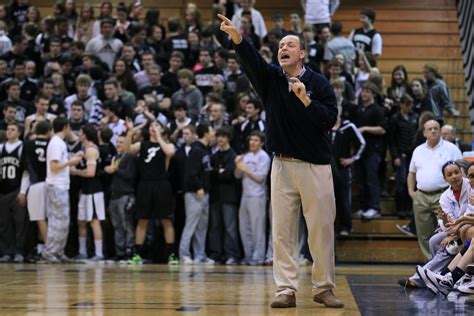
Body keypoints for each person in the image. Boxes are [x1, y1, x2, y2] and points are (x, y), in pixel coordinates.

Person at [219, 14, 343, 308]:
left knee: (321, 230)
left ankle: (323, 287)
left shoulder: (319, 84)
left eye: (290, 45)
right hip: (282, 165)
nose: (283, 48)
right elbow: (253, 63)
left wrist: (306, 100)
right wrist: (238, 39)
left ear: (302, 53)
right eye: (280, 45)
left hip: (315, 165)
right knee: (283, 231)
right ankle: (286, 289)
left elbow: (329, 121)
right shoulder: (272, 80)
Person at [125, 120, 178, 265]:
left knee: (166, 220)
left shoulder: (168, 145)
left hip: (162, 184)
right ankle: (137, 254)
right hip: (145, 185)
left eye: (156, 125)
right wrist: (130, 132)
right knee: (142, 220)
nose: (153, 128)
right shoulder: (142, 145)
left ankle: (172, 255)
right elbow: (127, 150)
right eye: (151, 126)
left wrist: (159, 137)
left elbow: (170, 152)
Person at [408, 119, 462, 260]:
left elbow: (461, 171)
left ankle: (444, 264)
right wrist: (412, 193)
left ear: (440, 130)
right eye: (430, 129)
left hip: (444, 195)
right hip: (421, 196)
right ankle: (430, 264)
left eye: (436, 128)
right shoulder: (418, 150)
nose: (433, 131)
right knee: (424, 234)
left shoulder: (451, 149)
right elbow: (411, 173)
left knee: (445, 231)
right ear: (424, 132)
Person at [41, 117, 82, 263]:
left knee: (63, 221)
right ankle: (50, 252)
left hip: (61, 186)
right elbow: (53, 167)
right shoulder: (56, 143)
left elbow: (60, 165)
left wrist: (71, 160)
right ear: (65, 127)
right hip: (56, 186)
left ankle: (58, 251)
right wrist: (71, 162)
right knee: (57, 221)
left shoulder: (59, 143)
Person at [179, 124, 214, 264]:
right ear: (205, 133)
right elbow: (190, 172)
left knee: (202, 226)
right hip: (195, 192)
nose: (213, 134)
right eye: (211, 131)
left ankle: (200, 255)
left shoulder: (205, 150)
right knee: (191, 224)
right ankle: (184, 254)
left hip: (205, 192)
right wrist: (198, 186)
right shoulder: (196, 150)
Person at [235, 131, 270, 265]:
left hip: (258, 196)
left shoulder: (264, 157)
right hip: (245, 195)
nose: (252, 143)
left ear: (261, 143)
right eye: (251, 140)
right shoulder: (246, 156)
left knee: (257, 228)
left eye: (256, 140)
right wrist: (238, 166)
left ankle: (258, 256)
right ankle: (248, 255)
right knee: (244, 227)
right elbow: (237, 175)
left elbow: (261, 177)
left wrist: (244, 168)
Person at [71, 124, 106, 261]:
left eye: (80, 132)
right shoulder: (84, 149)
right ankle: (83, 252)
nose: (79, 134)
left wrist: (75, 171)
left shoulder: (91, 150)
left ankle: (98, 254)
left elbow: (90, 173)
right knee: (82, 221)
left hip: (94, 191)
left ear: (85, 135)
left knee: (94, 222)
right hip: (85, 191)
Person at [20, 120, 52, 258]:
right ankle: (43, 248)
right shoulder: (52, 143)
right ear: (48, 131)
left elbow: (24, 167)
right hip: (52, 184)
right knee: (49, 219)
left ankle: (48, 251)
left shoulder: (27, 144)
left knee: (39, 219)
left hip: (36, 185)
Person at [104, 134, 136, 260]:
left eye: (121, 142)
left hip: (125, 195)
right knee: (117, 225)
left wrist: (116, 169)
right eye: (117, 142)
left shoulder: (130, 158)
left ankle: (129, 250)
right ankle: (120, 251)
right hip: (114, 195)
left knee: (127, 225)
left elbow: (130, 175)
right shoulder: (115, 157)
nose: (118, 144)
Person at [0, 122, 28, 263]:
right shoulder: (1, 147)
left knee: (20, 223)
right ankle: (6, 252)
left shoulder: (22, 147)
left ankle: (19, 252)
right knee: (4, 224)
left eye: (13, 129)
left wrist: (23, 192)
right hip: (3, 191)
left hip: (17, 190)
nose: (9, 131)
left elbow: (26, 172)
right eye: (8, 129)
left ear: (19, 132)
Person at [388, 94, 418, 218]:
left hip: (413, 155)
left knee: (412, 183)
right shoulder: (395, 118)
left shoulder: (415, 117)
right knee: (401, 181)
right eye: (407, 104)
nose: (410, 107)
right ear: (401, 104)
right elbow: (391, 139)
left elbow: (416, 137)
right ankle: (400, 208)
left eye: (411, 104)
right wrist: (395, 156)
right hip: (401, 155)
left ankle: (409, 208)